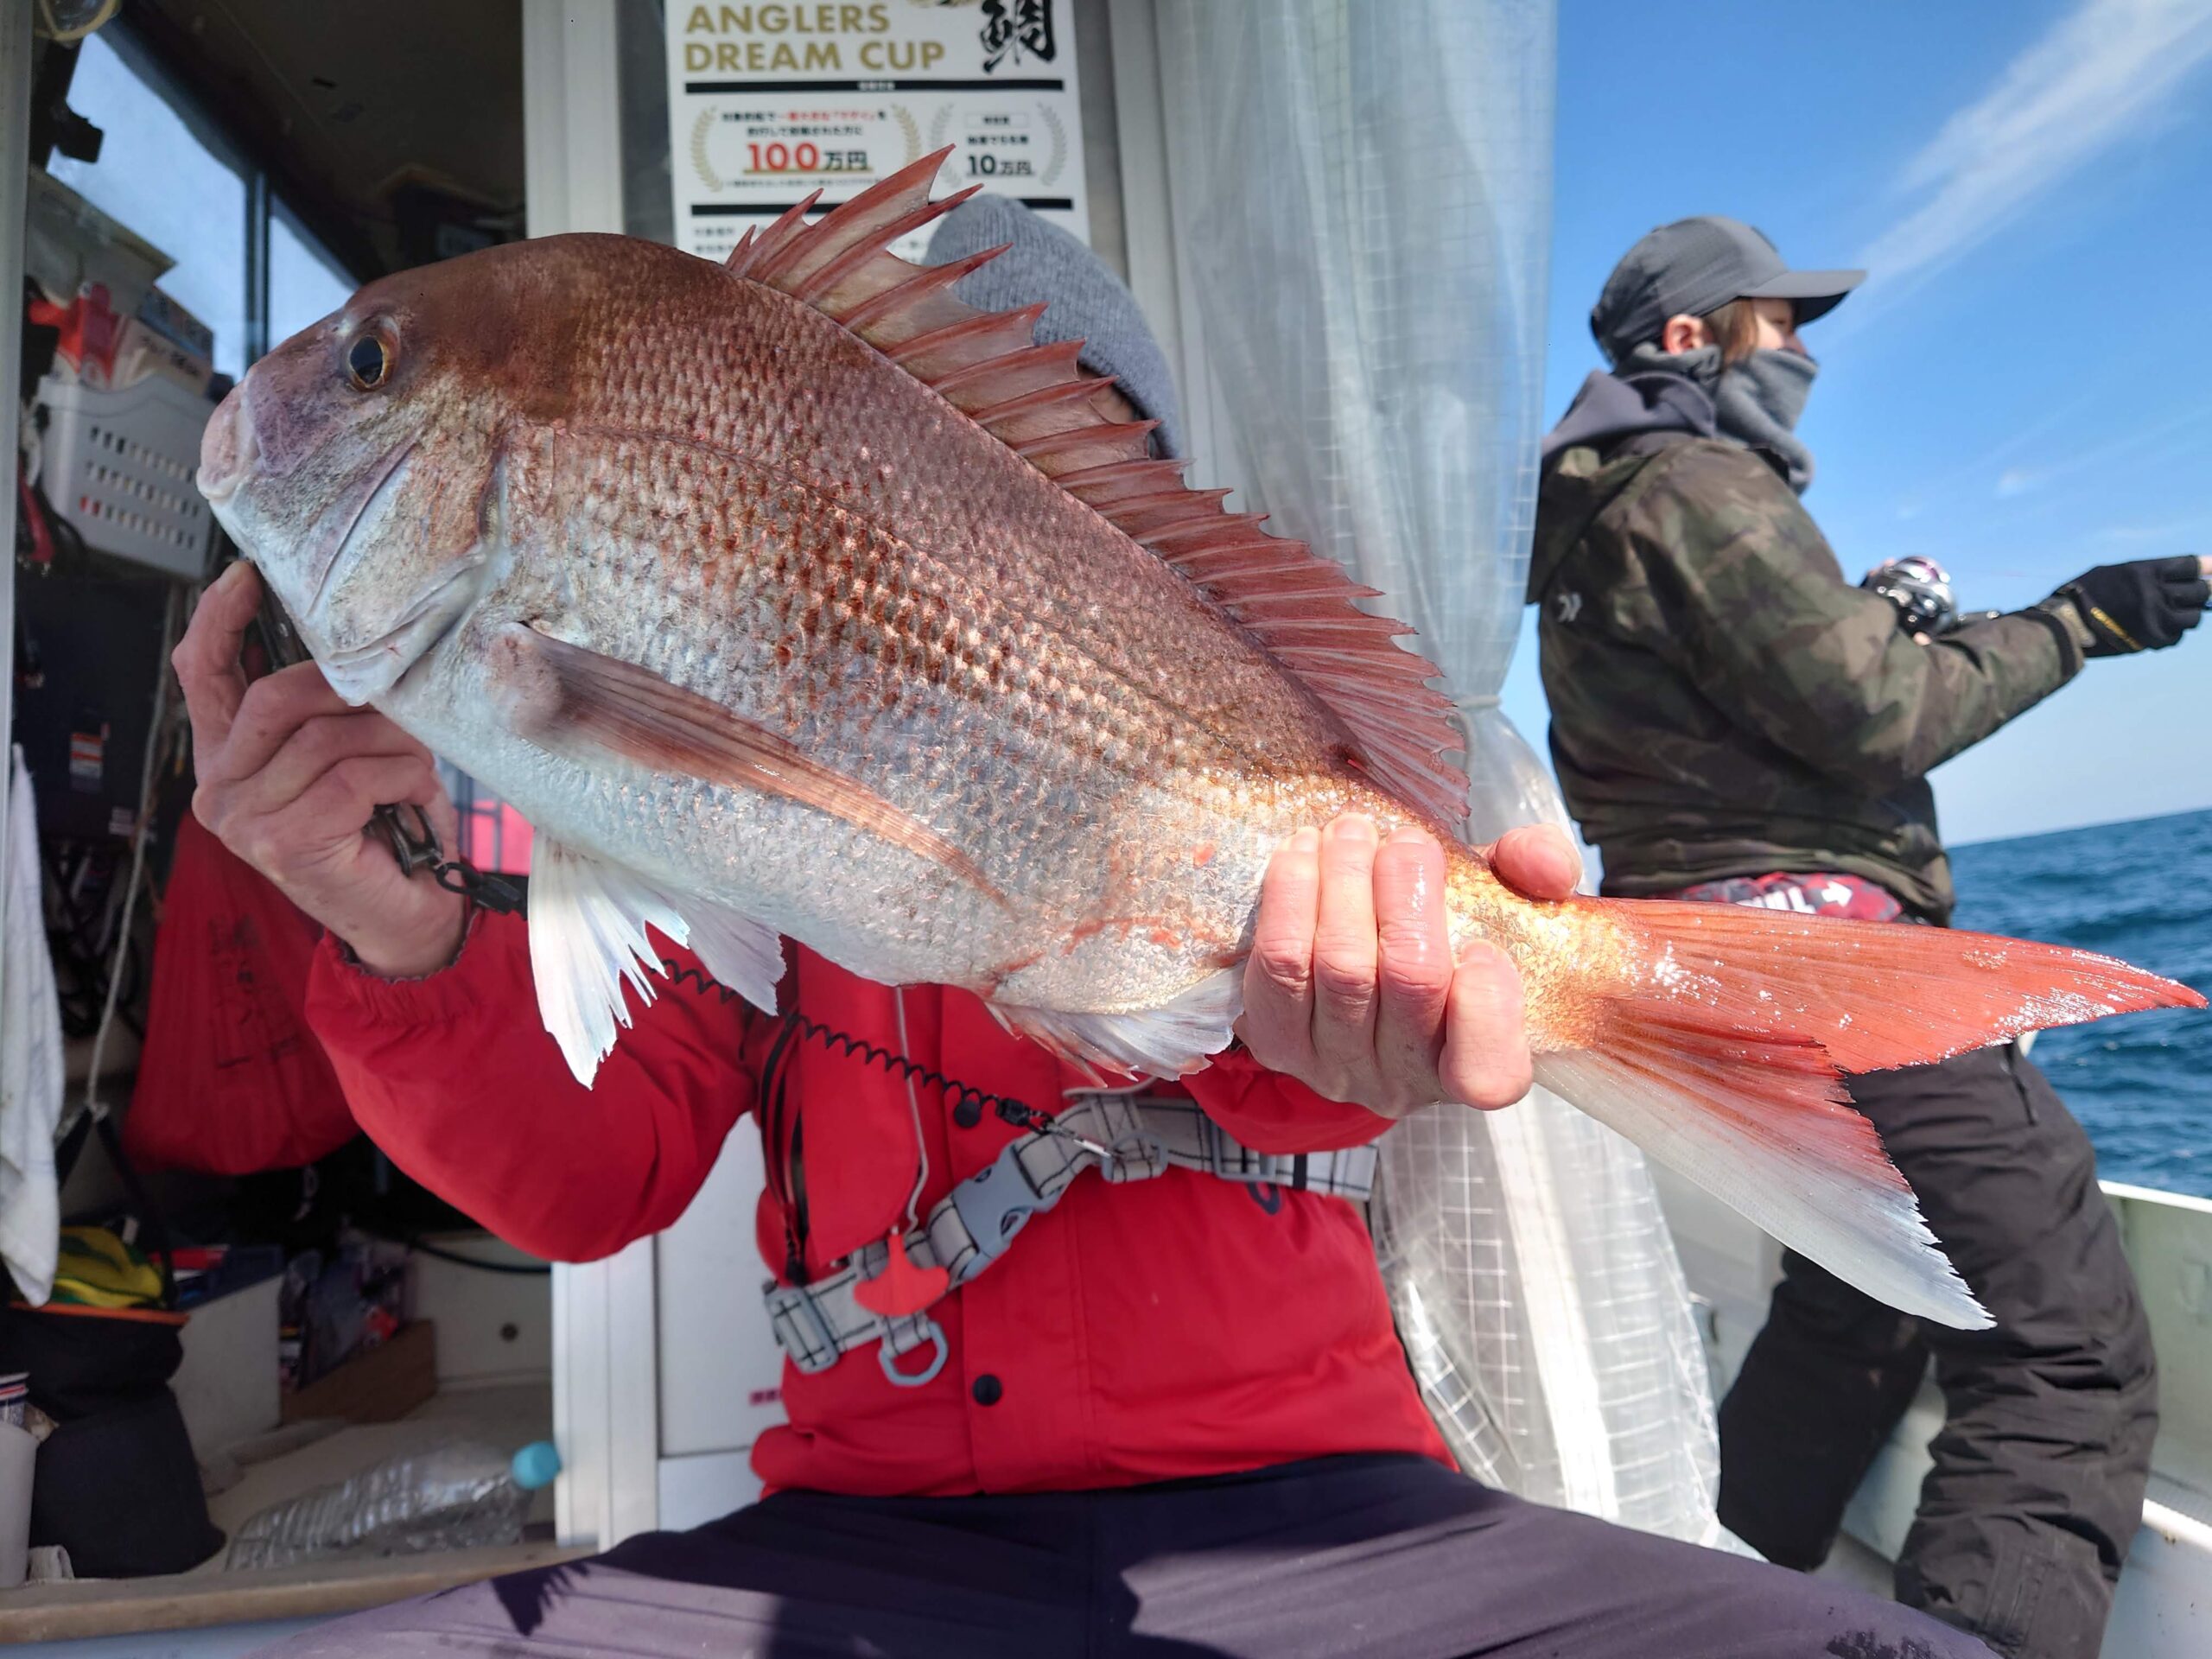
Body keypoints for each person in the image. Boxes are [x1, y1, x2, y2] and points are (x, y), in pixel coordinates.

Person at [178, 200, 1993, 1658]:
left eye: (1067, 476)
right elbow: (592, 1184)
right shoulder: (717, 844)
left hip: (1325, 1510)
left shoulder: (1297, 735)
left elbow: (1323, 1072)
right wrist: (390, 932)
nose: (995, 523)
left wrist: (1375, 999)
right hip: (866, 1545)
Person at [1532, 213, 2211, 1659]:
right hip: (1820, 956)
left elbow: (1749, 716)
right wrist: (2084, 619)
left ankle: (1714, 1619)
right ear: (1688, 341)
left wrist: (1875, 621)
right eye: (1780, 323)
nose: (1802, 351)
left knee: (1858, 1307)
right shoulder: (1698, 481)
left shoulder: (1599, 514)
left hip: (1712, 971)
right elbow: (1875, 715)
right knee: (2061, 1345)